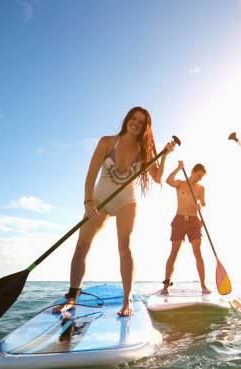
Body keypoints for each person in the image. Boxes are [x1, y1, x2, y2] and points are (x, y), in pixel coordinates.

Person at [53, 107, 174, 316]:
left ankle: (127, 301)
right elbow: (90, 175)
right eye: (133, 118)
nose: (135, 122)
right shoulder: (107, 142)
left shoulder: (145, 151)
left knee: (125, 246)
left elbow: (156, 177)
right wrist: (88, 202)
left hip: (127, 201)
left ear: (145, 127)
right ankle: (72, 296)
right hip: (99, 200)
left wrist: (165, 156)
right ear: (128, 119)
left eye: (141, 121)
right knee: (82, 245)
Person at [160, 161, 211, 294]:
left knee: (198, 253)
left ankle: (203, 286)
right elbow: (167, 180)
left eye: (202, 177)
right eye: (199, 175)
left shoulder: (201, 189)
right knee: (174, 253)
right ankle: (165, 286)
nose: (200, 179)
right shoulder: (180, 183)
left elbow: (204, 203)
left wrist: (201, 205)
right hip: (180, 220)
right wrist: (178, 168)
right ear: (193, 171)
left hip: (194, 222)